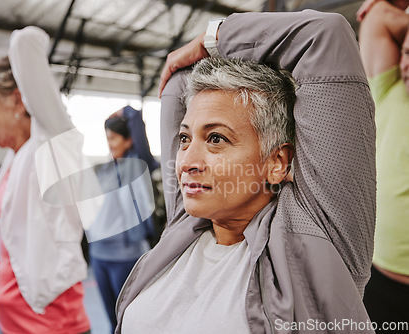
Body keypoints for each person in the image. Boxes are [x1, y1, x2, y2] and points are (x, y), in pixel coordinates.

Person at [115, 10, 376, 334]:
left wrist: (212, 39)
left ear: (277, 162)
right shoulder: (185, 225)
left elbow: (324, 36)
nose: (185, 163)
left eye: (216, 139)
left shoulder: (312, 242)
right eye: (184, 138)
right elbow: (179, 77)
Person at [0, 26, 92, 333]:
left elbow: (26, 42)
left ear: (17, 99)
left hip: (50, 322)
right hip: (13, 318)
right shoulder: (14, 158)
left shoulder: (51, 145)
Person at [357, 0, 409, 331]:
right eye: (406, 53)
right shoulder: (389, 90)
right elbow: (376, 17)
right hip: (382, 282)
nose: (408, 64)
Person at [87, 106, 159, 333]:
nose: (109, 144)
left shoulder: (138, 165)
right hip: (99, 256)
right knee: (112, 321)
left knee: (128, 322)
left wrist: (125, 111)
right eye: (106, 138)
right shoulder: (104, 170)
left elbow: (137, 121)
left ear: (128, 141)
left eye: (113, 138)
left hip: (126, 257)